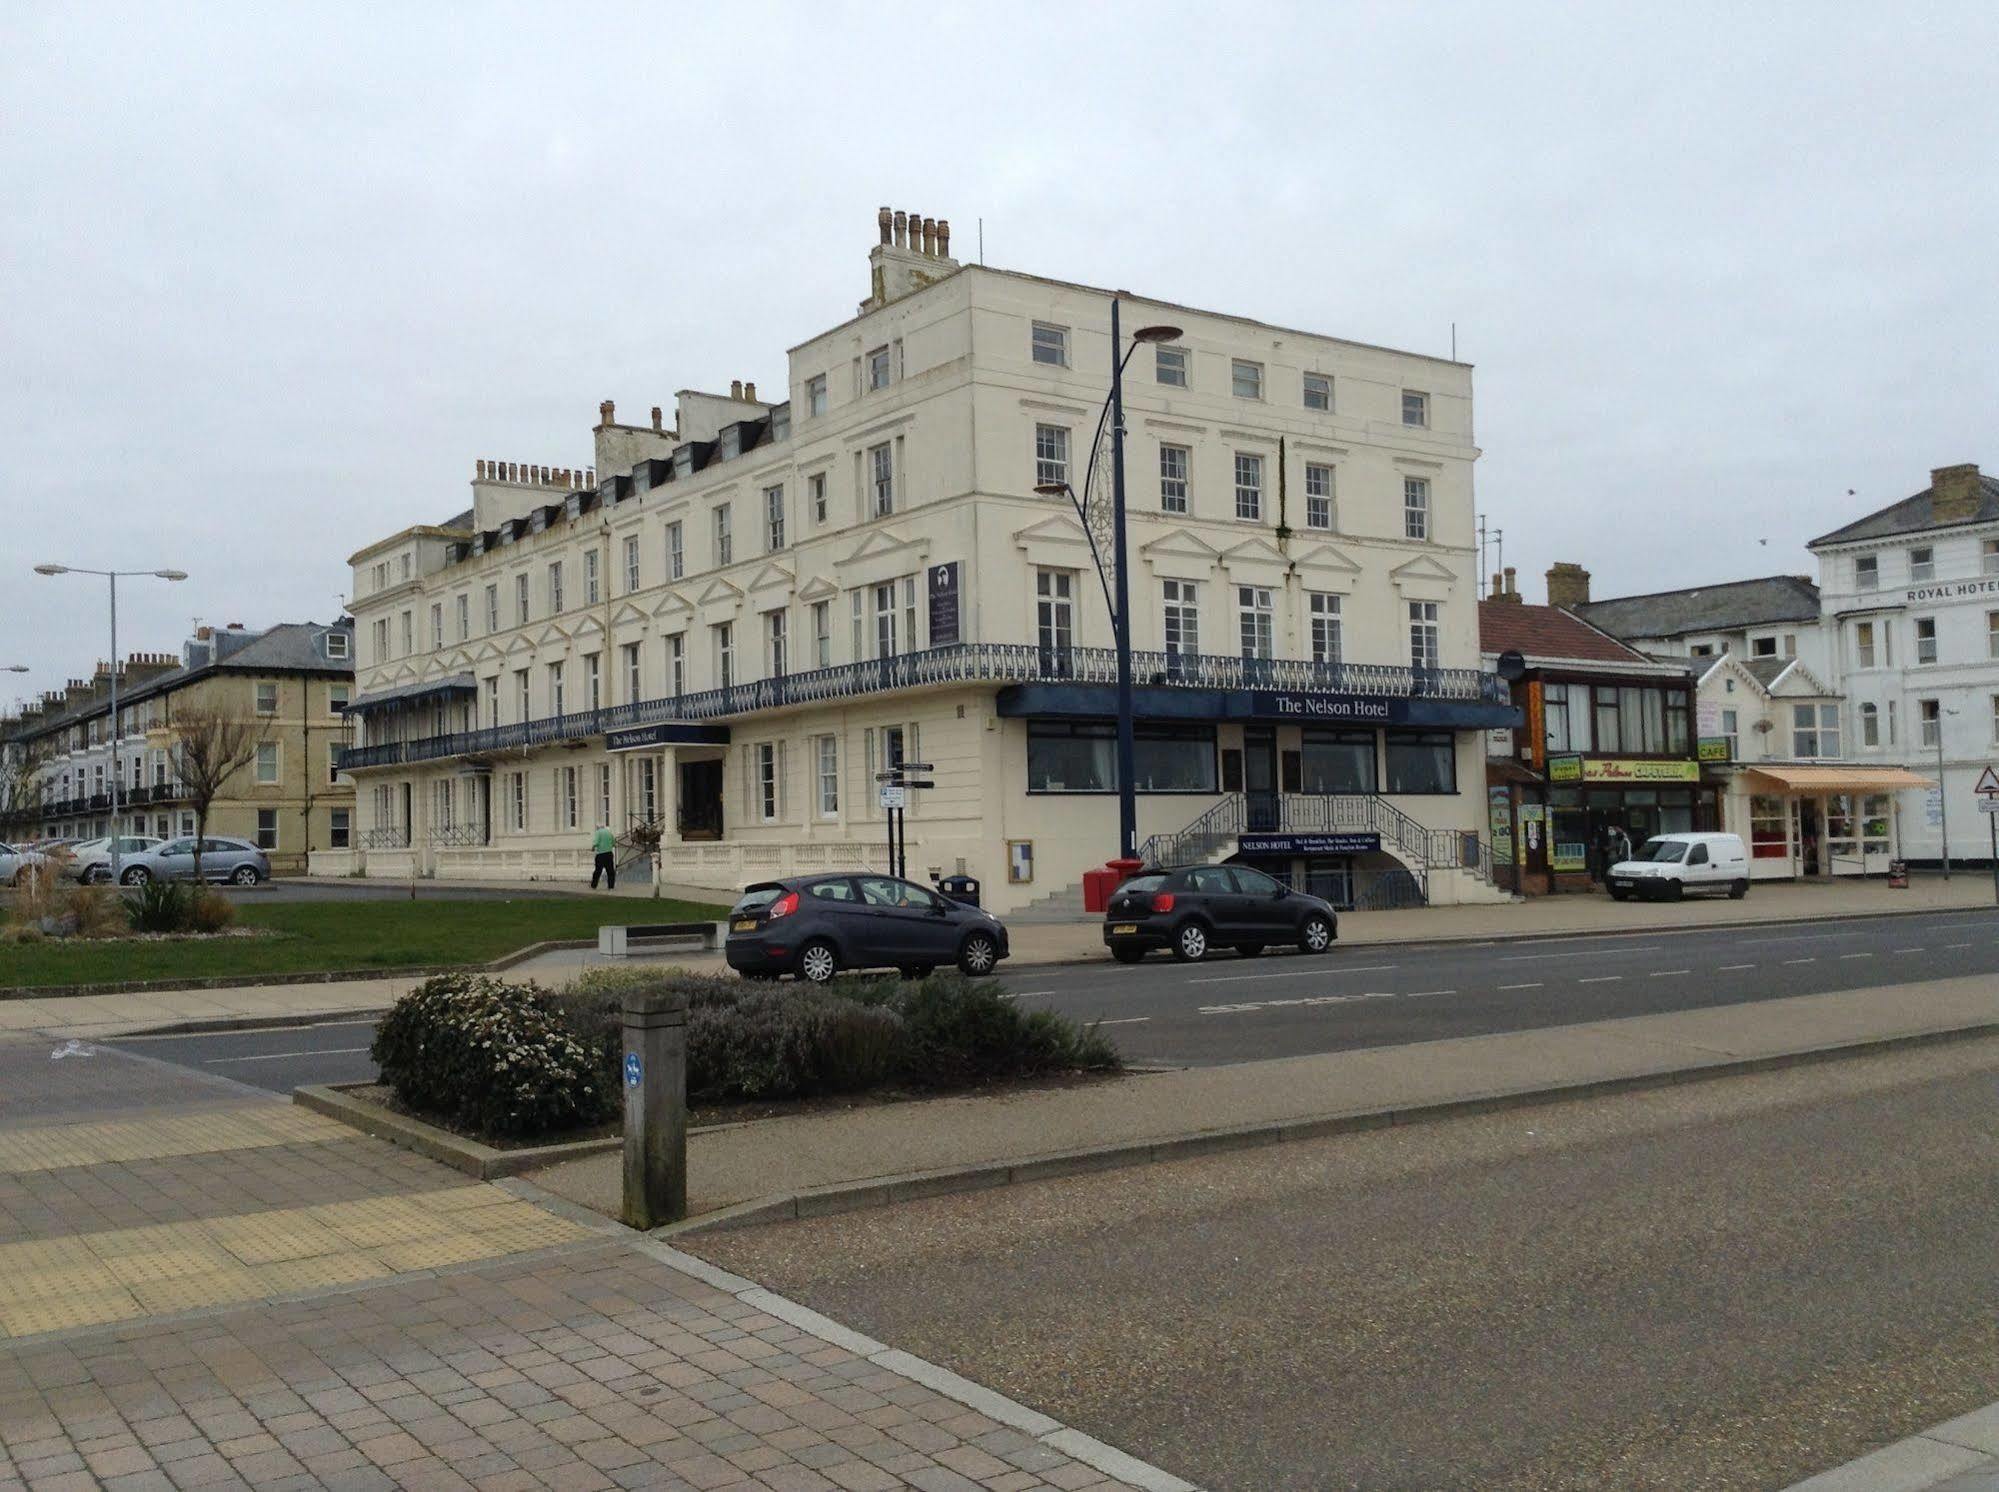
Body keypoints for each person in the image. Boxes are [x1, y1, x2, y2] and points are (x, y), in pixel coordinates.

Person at [590, 824, 617, 890]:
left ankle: (594, 885)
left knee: (598, 871)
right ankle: (611, 886)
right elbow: (614, 843)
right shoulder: (609, 832)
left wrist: (592, 848)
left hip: (600, 854)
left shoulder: (598, 832)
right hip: (609, 854)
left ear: (598, 828)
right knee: (610, 871)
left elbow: (596, 842)